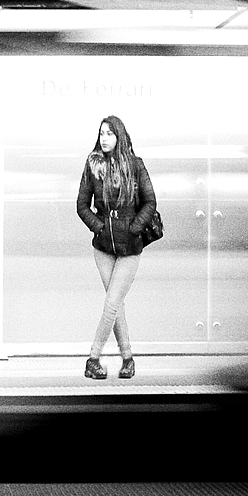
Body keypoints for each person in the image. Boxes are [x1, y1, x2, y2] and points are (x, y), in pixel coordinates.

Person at [76, 115, 156, 379]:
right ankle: (128, 359)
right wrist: (100, 227)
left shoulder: (135, 165)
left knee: (111, 303)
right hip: (103, 248)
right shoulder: (93, 165)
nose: (104, 138)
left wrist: (133, 227)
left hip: (130, 247)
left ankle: (93, 358)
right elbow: (81, 205)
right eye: (101, 134)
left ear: (119, 136)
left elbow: (150, 202)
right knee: (116, 304)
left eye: (109, 134)